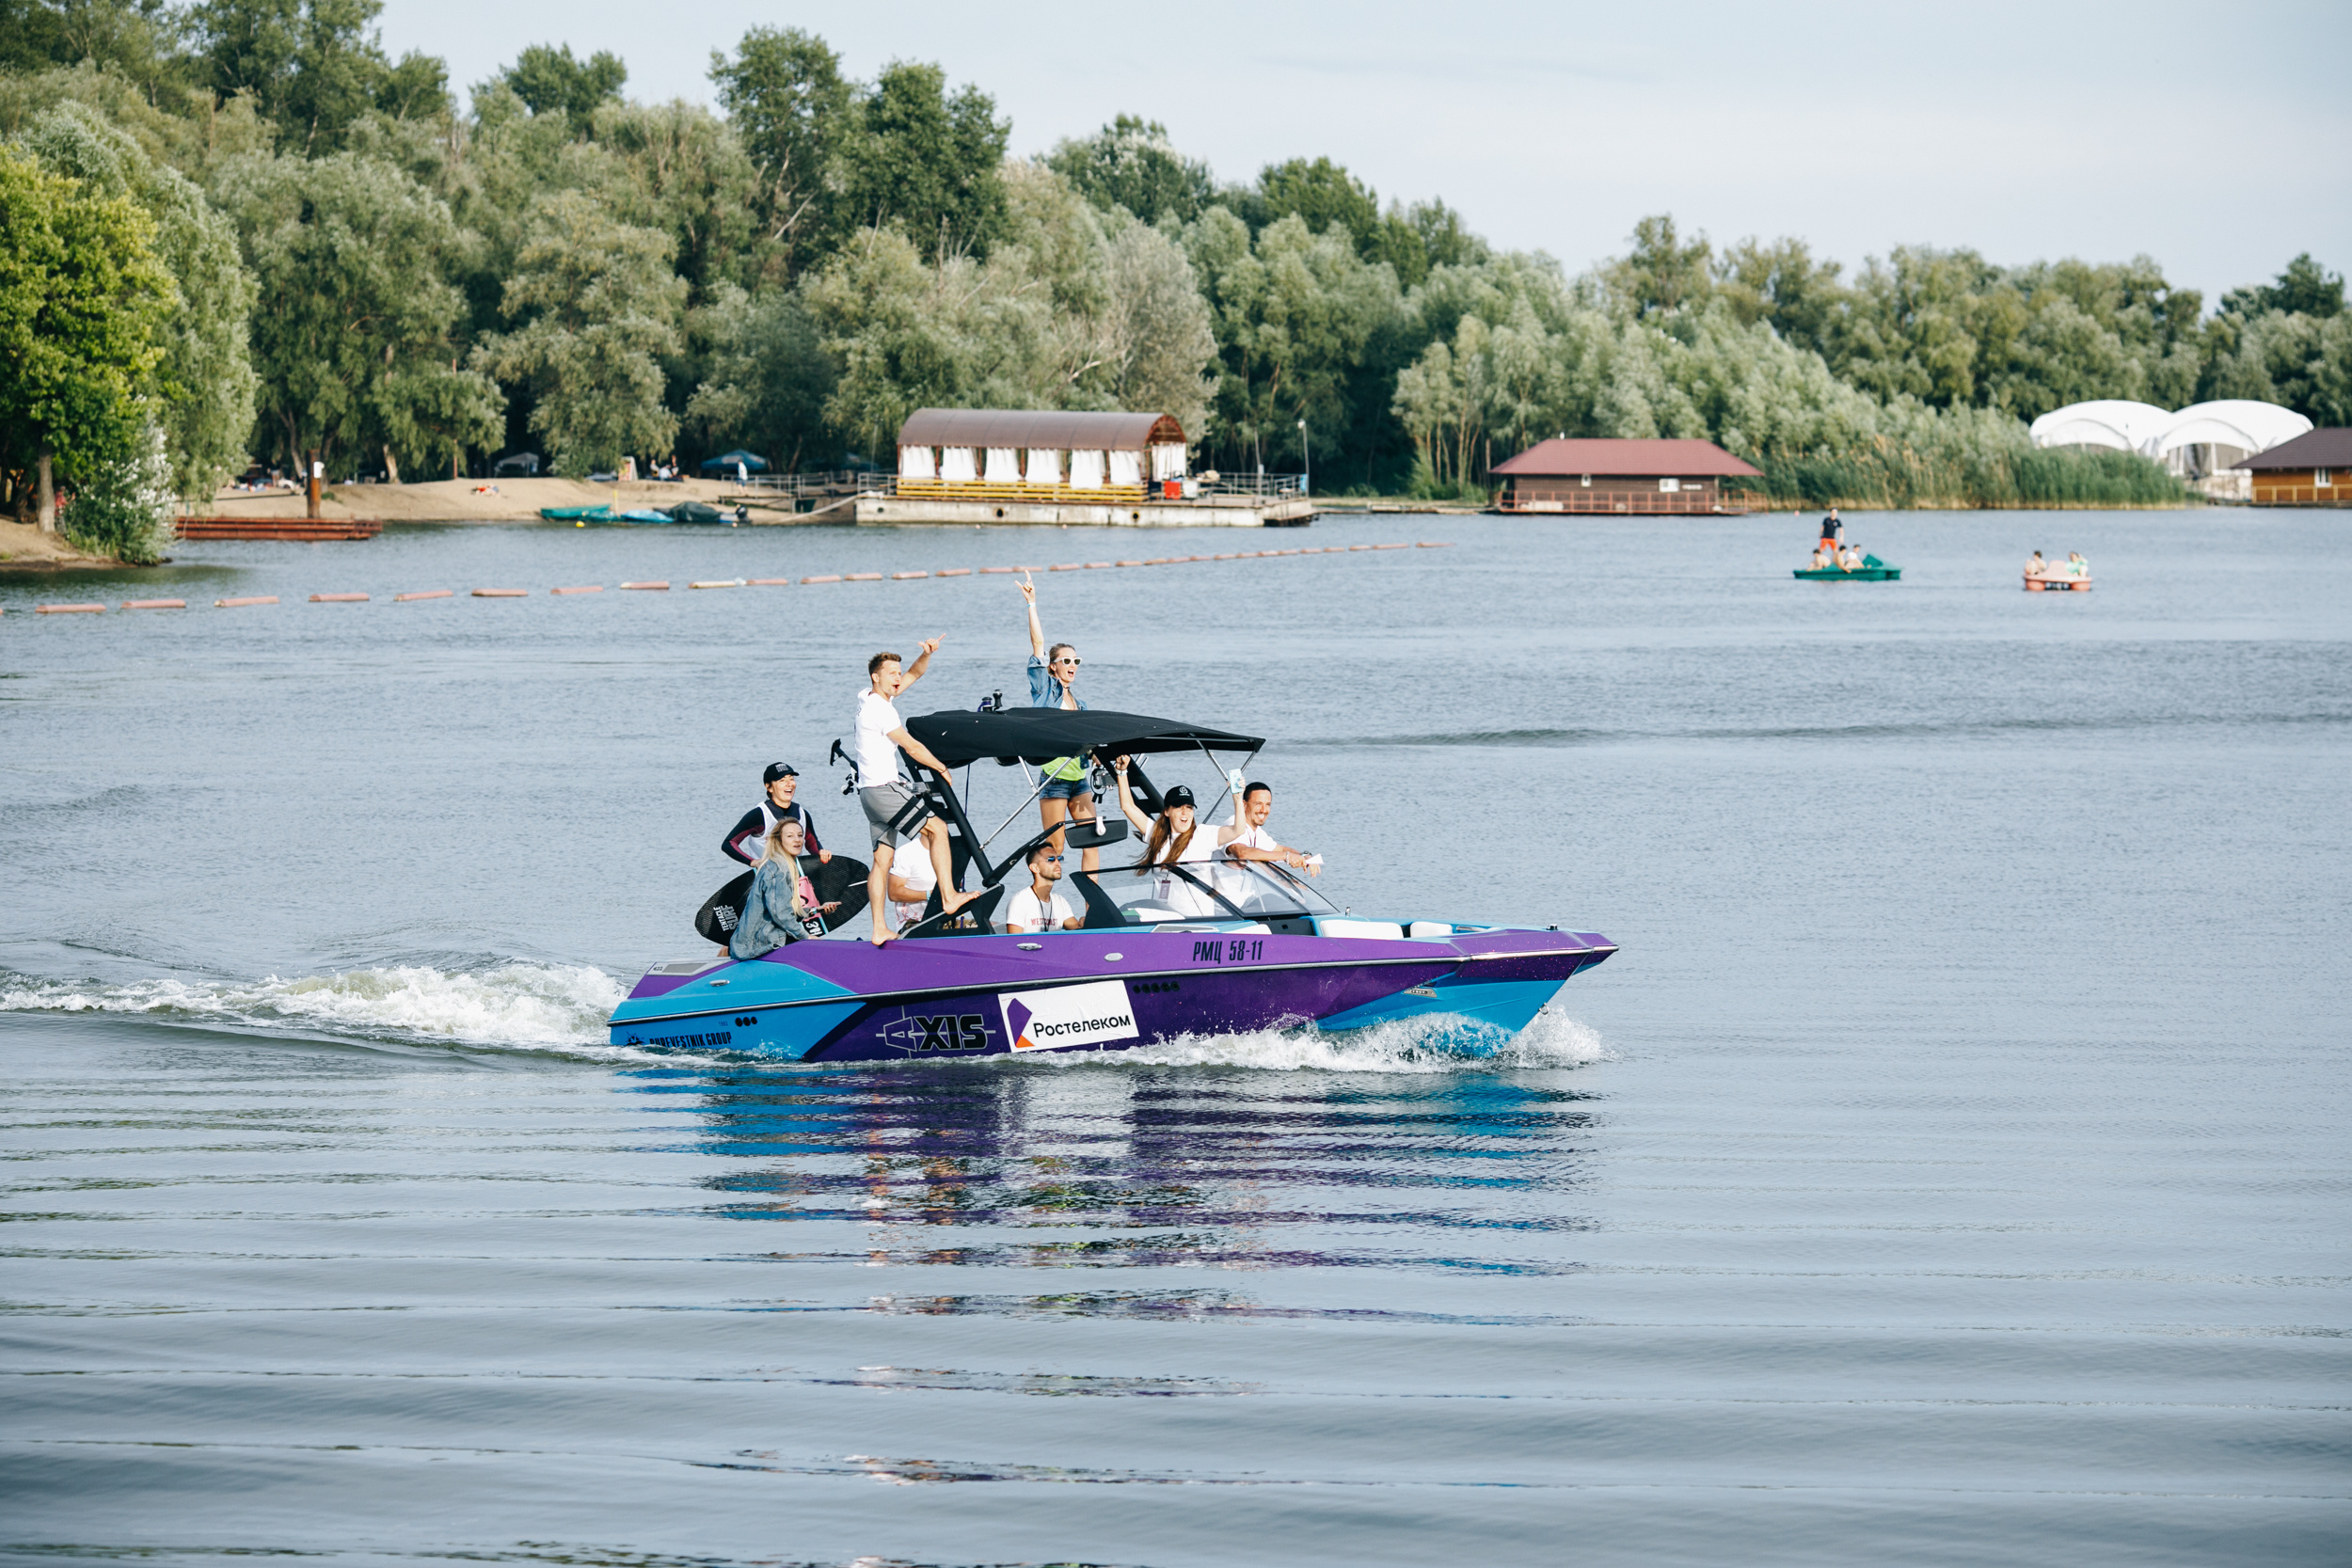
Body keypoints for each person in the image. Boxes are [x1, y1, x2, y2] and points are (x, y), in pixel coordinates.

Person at [856, 643, 978, 944]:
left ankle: (879, 929)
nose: (898, 677)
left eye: (898, 673)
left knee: (882, 861)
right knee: (937, 828)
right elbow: (911, 746)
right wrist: (941, 768)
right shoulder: (880, 709)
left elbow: (915, 673)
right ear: (876, 677)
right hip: (884, 789)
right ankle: (949, 895)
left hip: (868, 793)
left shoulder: (868, 697)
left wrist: (927, 654)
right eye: (891, 674)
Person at [1018, 574, 1102, 875]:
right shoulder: (1045, 690)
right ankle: (1043, 893)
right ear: (1053, 666)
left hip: (1079, 778)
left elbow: (1091, 746)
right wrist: (1032, 604)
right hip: (1053, 778)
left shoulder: (1081, 706)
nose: (1072, 666)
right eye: (1066, 661)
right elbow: (1038, 643)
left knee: (1092, 840)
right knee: (1055, 848)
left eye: (1076, 661)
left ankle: (1093, 905)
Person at [1109, 762, 1238, 917]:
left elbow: (1237, 830)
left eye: (1189, 807)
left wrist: (1238, 797)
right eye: (1179, 807)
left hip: (1197, 922)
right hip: (1161, 918)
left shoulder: (1203, 834)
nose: (1185, 812)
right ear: (1167, 812)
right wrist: (1121, 773)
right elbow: (1128, 807)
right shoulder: (1157, 835)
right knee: (1124, 915)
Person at [730, 818, 829, 959]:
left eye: (800, 835)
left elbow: (782, 909)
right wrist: (806, 937)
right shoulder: (778, 869)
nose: (797, 840)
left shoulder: (779, 864)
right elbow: (780, 914)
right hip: (757, 947)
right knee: (820, 952)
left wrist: (815, 910)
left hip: (756, 943)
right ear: (779, 840)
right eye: (790, 836)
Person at [722, 763, 829, 869]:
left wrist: (821, 853)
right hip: (765, 878)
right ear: (769, 787)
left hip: (794, 875)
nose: (789, 784)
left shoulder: (802, 814)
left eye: (791, 779)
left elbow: (811, 844)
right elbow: (728, 843)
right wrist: (753, 862)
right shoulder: (759, 815)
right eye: (782, 780)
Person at [1222, 782, 1319, 878]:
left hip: (1246, 892)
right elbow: (1243, 853)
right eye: (1258, 804)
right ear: (1244, 804)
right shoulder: (1234, 824)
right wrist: (1287, 857)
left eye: (1268, 804)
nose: (1264, 810)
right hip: (1218, 892)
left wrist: (1305, 857)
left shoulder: (1258, 832)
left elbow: (1280, 849)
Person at [1003, 842, 1083, 934]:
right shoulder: (1020, 901)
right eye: (1051, 859)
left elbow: (1078, 930)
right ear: (1035, 868)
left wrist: (1084, 921)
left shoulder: (1060, 901)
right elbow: (1013, 941)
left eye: (1059, 858)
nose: (1058, 863)